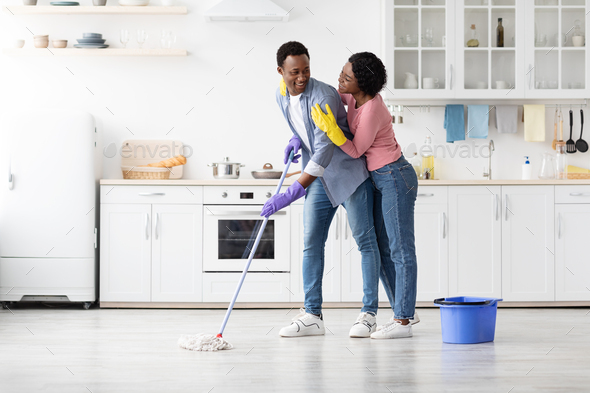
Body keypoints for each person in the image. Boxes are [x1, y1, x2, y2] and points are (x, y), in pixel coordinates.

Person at [261, 41, 381, 338]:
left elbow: (324, 153)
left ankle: (369, 314)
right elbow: (301, 126)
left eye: (306, 70)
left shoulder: (324, 96)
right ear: (281, 72)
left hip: (347, 175)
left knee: (366, 243)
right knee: (311, 243)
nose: (301, 78)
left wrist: (291, 192)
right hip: (319, 181)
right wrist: (295, 139)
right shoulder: (280, 94)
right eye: (294, 73)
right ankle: (312, 315)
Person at [311, 52, 419, 339]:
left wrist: (335, 133)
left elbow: (357, 150)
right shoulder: (354, 98)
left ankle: (404, 321)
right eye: (342, 73)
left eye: (347, 77)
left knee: (400, 248)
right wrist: (300, 85)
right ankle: (403, 307)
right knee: (385, 250)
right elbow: (332, 94)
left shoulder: (372, 109)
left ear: (363, 83)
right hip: (380, 178)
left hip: (395, 176)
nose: (340, 79)